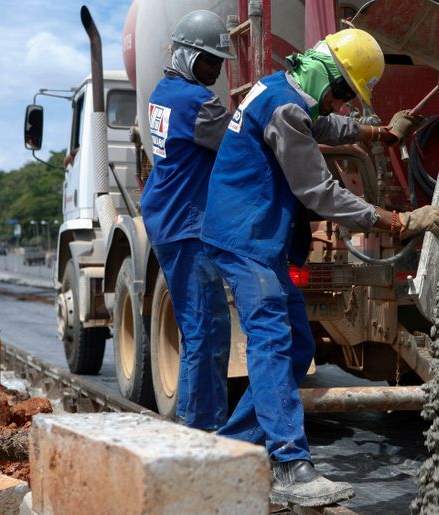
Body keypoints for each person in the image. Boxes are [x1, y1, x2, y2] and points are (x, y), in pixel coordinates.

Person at [200, 28, 439, 506]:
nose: (339, 105)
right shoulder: (286, 107)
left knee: (297, 347)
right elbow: (319, 193)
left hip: (258, 237)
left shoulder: (283, 90)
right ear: (327, 74)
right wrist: (396, 220)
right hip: (246, 238)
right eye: (341, 94)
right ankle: (291, 465)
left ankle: (228, 451)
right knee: (273, 341)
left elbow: (322, 125)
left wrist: (378, 132)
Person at [140, 10, 234, 430]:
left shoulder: (163, 91)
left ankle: (204, 422)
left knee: (205, 329)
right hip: (186, 225)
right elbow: (239, 143)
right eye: (209, 61)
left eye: (218, 63)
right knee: (204, 332)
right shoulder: (195, 102)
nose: (215, 70)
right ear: (186, 55)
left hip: (168, 217)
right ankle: (199, 430)